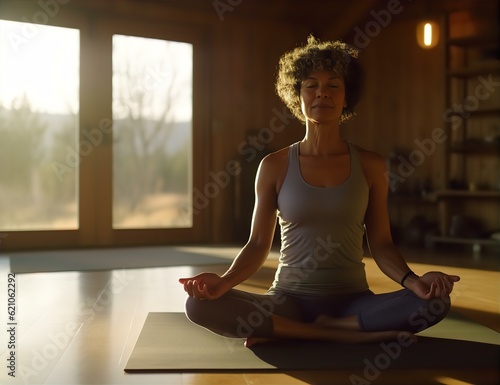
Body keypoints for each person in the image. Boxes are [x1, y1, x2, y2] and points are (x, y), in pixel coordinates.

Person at [179, 35, 460, 346]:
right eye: (311, 85)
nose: (321, 93)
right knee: (198, 305)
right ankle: (340, 333)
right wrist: (222, 284)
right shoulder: (274, 165)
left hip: (353, 300)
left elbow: (381, 243)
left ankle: (297, 331)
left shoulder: (370, 164)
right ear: (297, 94)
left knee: (434, 302)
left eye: (333, 85)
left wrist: (415, 282)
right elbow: (258, 244)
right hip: (288, 300)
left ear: (346, 96)